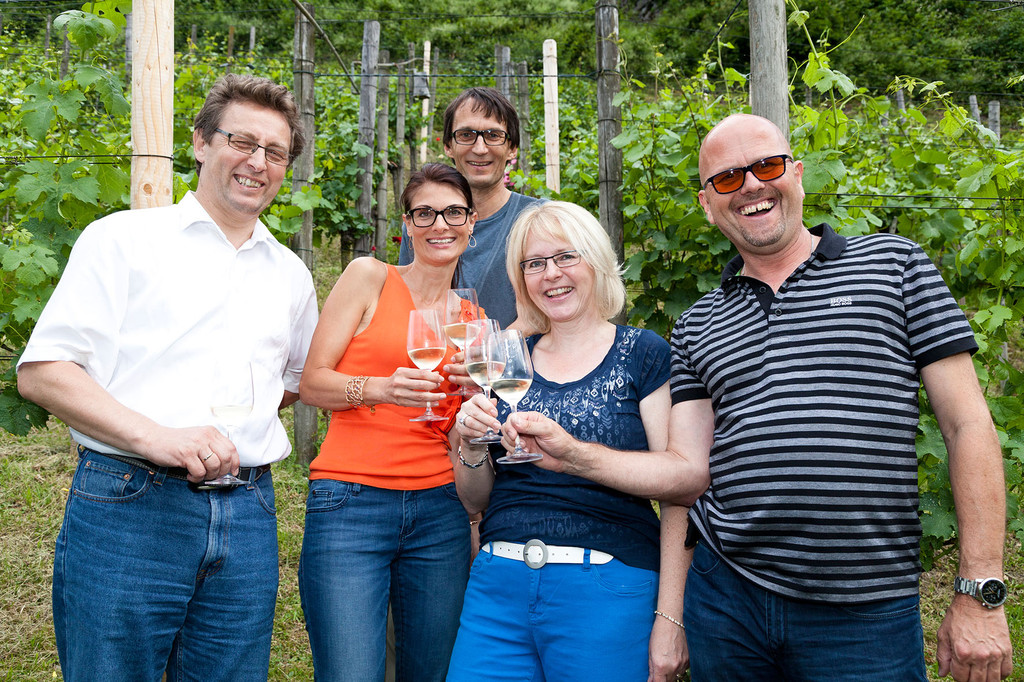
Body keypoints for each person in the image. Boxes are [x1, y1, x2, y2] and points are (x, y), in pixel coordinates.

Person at [505, 114, 1013, 681]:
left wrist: (980, 592)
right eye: (726, 178)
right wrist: (572, 456)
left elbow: (968, 425)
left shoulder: (894, 267)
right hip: (726, 603)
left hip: (863, 608)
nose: (749, 185)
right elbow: (685, 474)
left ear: (797, 172)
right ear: (706, 202)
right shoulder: (700, 322)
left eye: (766, 166)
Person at [16, 74, 318, 681]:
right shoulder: (123, 241)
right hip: (131, 504)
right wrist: (159, 437)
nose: (257, 162)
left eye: (275, 152)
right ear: (201, 142)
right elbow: (45, 372)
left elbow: (290, 382)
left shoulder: (291, 275)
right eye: (241, 141)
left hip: (249, 514)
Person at [447, 201, 689, 682]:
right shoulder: (508, 359)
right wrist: (472, 447)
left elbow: (681, 484)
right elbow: (474, 500)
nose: (551, 274)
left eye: (565, 257)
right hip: (498, 585)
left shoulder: (642, 353)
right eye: (534, 264)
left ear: (595, 260)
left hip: (607, 584)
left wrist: (670, 617)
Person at [297, 163, 475, 681]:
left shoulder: (472, 318)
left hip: (440, 510)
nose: (440, 224)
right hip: (349, 503)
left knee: (432, 672)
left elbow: (453, 430)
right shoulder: (369, 277)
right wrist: (379, 388)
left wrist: (467, 399)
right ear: (407, 224)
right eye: (425, 213)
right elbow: (312, 383)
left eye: (453, 212)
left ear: (472, 221)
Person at [399, 86, 541, 329]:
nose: (479, 148)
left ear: (512, 148)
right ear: (448, 145)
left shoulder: (538, 220)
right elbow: (408, 305)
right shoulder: (425, 223)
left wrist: (481, 356)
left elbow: (549, 315)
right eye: (466, 135)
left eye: (493, 135)